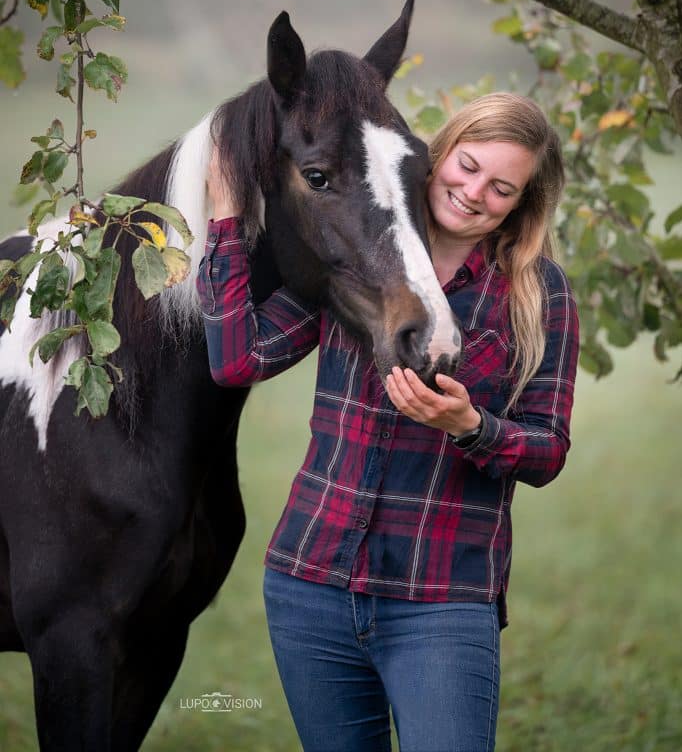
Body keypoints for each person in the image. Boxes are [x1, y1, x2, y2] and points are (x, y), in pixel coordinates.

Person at [197, 91, 579, 752]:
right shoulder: (350, 253)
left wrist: (470, 425)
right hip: (309, 583)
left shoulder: (537, 293)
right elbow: (238, 361)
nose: (473, 193)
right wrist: (227, 220)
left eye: (500, 187)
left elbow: (547, 451)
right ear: (436, 157)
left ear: (520, 203)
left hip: (441, 599)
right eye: (466, 166)